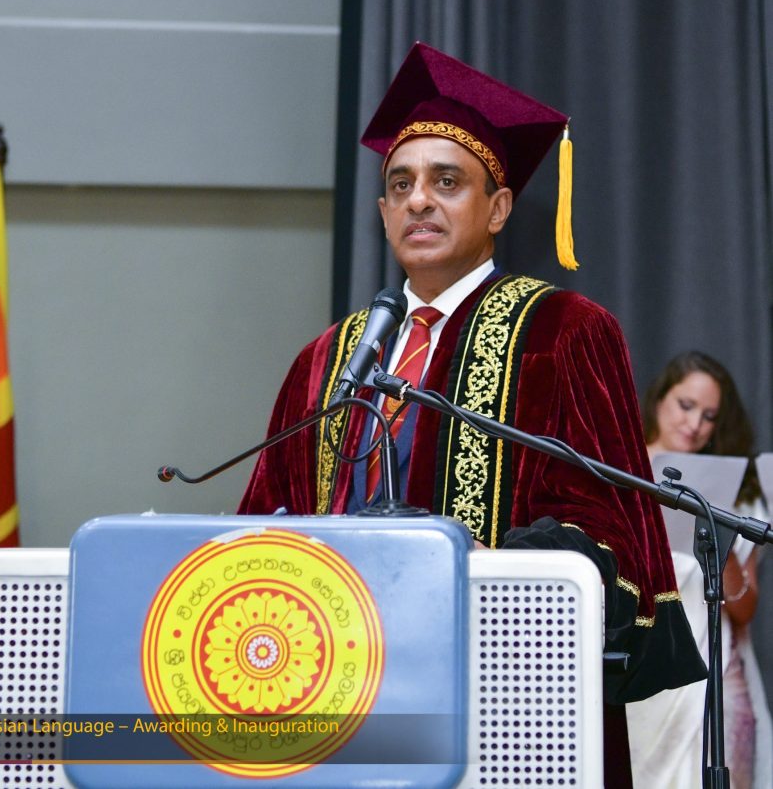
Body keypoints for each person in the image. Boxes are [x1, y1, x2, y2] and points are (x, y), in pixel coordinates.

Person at [238, 42, 706, 785]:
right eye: (400, 184)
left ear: (498, 208)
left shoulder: (561, 332)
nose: (419, 200)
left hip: (502, 699)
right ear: (383, 213)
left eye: (446, 181)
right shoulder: (327, 359)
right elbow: (265, 519)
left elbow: (613, 528)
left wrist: (487, 571)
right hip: (337, 692)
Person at [626, 351, 772, 789]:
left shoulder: (739, 494)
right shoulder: (621, 469)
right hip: (640, 670)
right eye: (685, 405)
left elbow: (744, 610)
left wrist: (720, 542)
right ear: (659, 399)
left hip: (713, 675)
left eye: (709, 416)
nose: (694, 424)